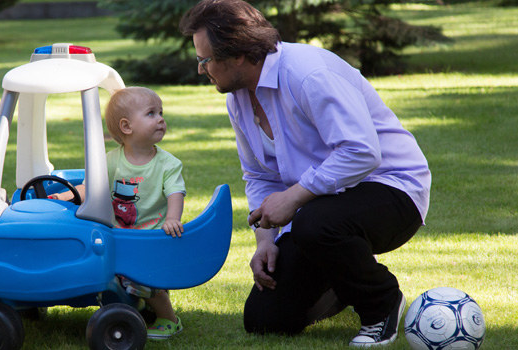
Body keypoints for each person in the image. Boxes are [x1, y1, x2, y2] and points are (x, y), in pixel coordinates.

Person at [180, 0, 431, 347]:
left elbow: (361, 152)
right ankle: (346, 275)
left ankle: (381, 302)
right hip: (323, 207)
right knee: (265, 319)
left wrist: (295, 197)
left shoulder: (308, 73)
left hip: (391, 190)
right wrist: (265, 240)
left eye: (204, 59)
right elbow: (258, 175)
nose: (200, 69)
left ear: (237, 53)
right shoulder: (237, 98)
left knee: (316, 224)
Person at [50, 86, 185, 339]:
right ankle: (129, 307)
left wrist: (172, 219)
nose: (161, 119)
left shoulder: (168, 164)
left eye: (161, 112)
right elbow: (89, 186)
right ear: (126, 127)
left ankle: (170, 319)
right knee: (113, 274)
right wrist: (66, 196)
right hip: (118, 234)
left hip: (151, 236)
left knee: (148, 279)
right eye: (151, 113)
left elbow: (175, 193)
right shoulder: (111, 161)